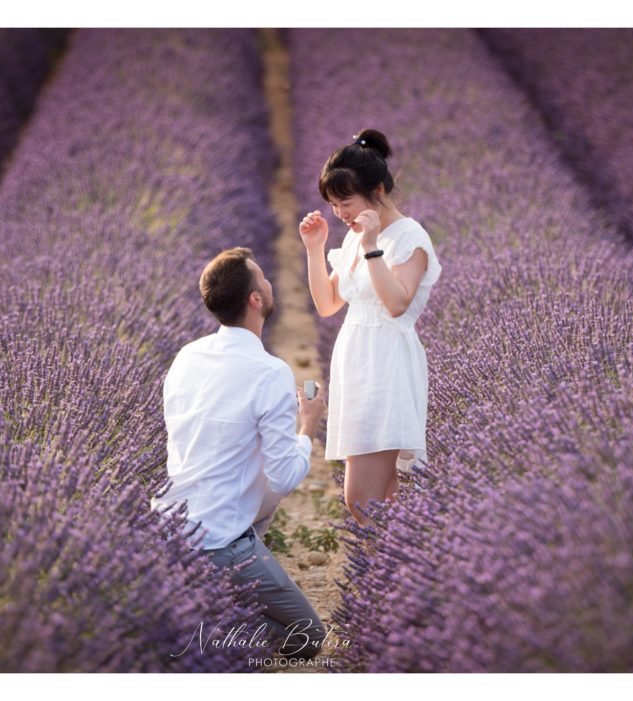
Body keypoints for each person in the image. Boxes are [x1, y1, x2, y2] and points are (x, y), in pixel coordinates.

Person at [151, 247, 328, 661]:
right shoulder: (270, 372)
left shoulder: (187, 355)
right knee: (308, 638)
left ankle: (198, 597)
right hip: (219, 539)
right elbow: (284, 477)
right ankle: (209, 614)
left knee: (255, 487)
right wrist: (308, 428)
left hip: (167, 525)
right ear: (255, 300)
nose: (269, 283)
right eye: (263, 278)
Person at [298, 128, 442, 527]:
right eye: (332, 204)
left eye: (344, 202)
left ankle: (389, 568)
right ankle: (394, 570)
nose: (339, 213)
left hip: (388, 364)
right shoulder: (355, 237)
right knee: (382, 495)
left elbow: (397, 303)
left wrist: (372, 245)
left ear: (377, 190)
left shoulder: (409, 237)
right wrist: (314, 249)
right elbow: (328, 305)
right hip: (356, 362)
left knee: (361, 498)